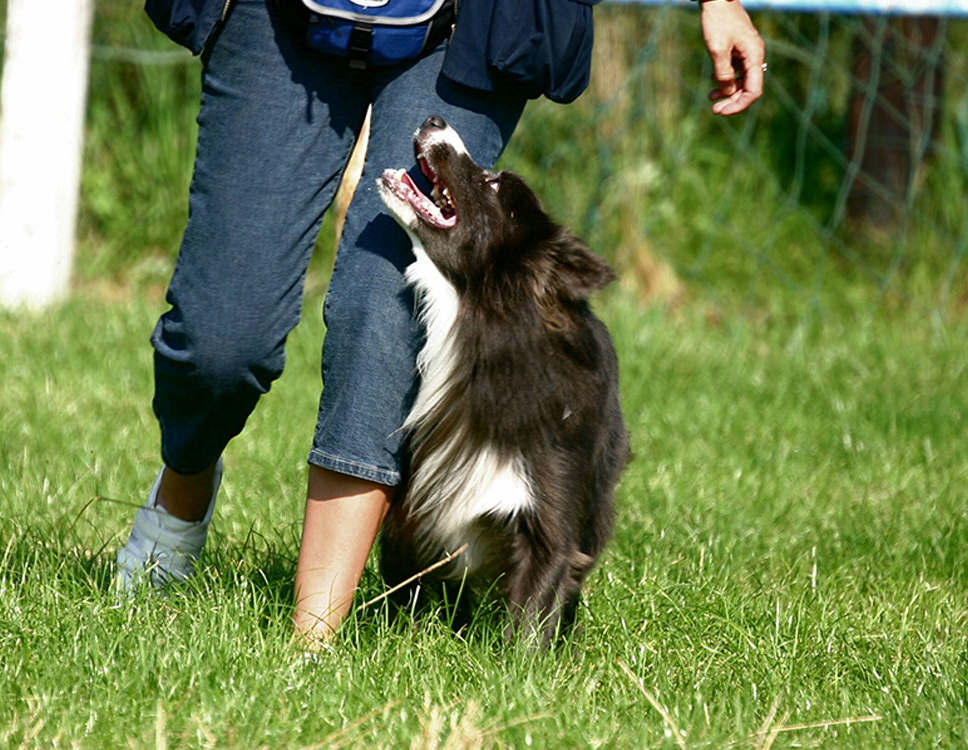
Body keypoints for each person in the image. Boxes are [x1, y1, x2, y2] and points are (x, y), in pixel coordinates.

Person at [116, 0, 764, 649]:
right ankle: (182, 493)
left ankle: (310, 645)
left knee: (383, 311)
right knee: (220, 340)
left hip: (467, 20)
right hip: (282, 15)